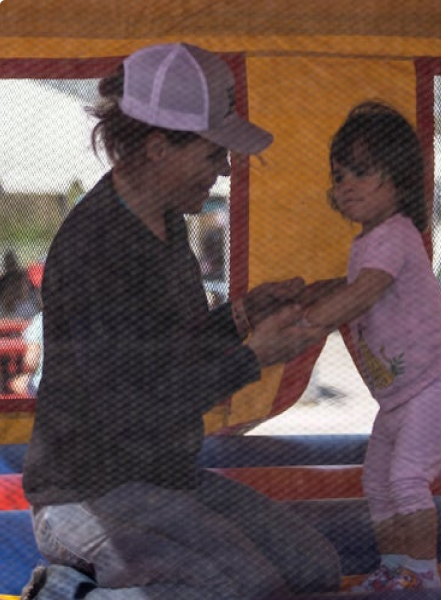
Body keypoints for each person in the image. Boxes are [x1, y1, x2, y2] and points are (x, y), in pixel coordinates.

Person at [21, 43, 341, 600]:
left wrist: (241, 317)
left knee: (313, 570)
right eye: (213, 155)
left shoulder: (163, 226)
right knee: (242, 588)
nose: (222, 172)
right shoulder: (98, 247)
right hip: (87, 491)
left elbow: (164, 352)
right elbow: (128, 406)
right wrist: (251, 358)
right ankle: (66, 594)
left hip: (161, 478)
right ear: (158, 148)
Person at [298, 101, 441, 592]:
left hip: (434, 390)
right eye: (338, 175)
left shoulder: (394, 235)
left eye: (361, 171)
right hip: (398, 400)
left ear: (397, 178)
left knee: (405, 480)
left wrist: (309, 322)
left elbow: (364, 292)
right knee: (376, 483)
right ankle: (395, 567)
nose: (345, 184)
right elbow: (359, 284)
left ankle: (422, 575)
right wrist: (318, 290)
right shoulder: (372, 243)